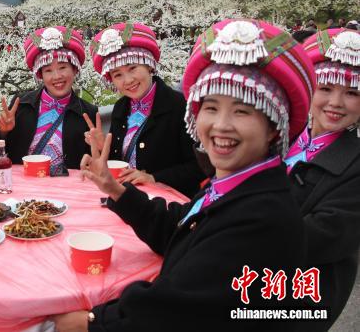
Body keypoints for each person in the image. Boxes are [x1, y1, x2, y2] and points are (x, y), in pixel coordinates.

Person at [54, 18, 315, 331]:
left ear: (274, 127)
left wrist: (93, 322)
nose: (221, 125)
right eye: (211, 108)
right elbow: (179, 227)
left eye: (242, 111)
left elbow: (175, 310)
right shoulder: (233, 189)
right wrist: (116, 189)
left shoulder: (262, 218)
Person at [284, 28, 360, 330]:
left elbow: (321, 236)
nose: (336, 102)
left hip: (300, 298)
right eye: (325, 88)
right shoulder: (281, 137)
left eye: (352, 93)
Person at [86, 22, 202, 197]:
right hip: (127, 198)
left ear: (149, 64)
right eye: (117, 75)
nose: (128, 80)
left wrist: (153, 178)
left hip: (169, 203)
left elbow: (198, 167)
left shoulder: (180, 106)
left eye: (132, 68)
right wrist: (103, 150)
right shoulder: (120, 108)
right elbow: (119, 164)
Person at [0, 26, 98, 173]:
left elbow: (94, 163)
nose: (57, 76)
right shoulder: (21, 104)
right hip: (24, 183)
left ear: (75, 69)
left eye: (62, 67)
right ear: (40, 74)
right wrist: (3, 133)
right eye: (48, 70)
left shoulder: (88, 113)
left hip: (66, 185)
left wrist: (98, 148)